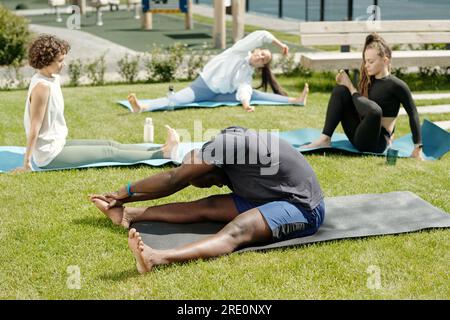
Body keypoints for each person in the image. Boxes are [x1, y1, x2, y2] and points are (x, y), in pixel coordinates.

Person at [90, 126, 325, 274]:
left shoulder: (223, 149)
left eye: (211, 182)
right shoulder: (220, 146)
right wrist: (125, 202)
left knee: (239, 228)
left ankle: (157, 258)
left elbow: (174, 180)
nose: (219, 184)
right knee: (207, 206)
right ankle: (127, 215)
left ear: (209, 169)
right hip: (267, 193)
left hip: (302, 206)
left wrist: (126, 190)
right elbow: (180, 180)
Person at [14, 34, 179, 172]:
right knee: (109, 152)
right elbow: (34, 128)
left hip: (58, 143)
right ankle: (163, 154)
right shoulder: (42, 88)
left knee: (111, 144)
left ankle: (162, 148)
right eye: (60, 60)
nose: (63, 64)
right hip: (49, 155)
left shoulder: (52, 78)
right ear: (45, 61)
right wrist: (27, 163)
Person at [303, 33, 423, 160]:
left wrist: (417, 147)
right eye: (365, 61)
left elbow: (413, 113)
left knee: (375, 111)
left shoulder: (397, 85)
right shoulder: (368, 81)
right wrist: (346, 87)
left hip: (377, 143)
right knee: (341, 90)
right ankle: (325, 138)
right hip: (358, 135)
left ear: (385, 60)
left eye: (371, 61)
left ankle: (349, 87)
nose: (366, 65)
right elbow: (360, 106)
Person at [127, 30, 309, 113]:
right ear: (255, 51)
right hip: (203, 87)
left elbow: (243, 89)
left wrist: (246, 105)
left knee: (255, 95)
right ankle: (142, 106)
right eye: (261, 53)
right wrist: (280, 44)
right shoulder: (239, 50)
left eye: (265, 60)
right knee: (177, 99)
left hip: (220, 95)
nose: (261, 57)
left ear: (262, 65)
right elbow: (261, 35)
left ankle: (296, 100)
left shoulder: (247, 73)